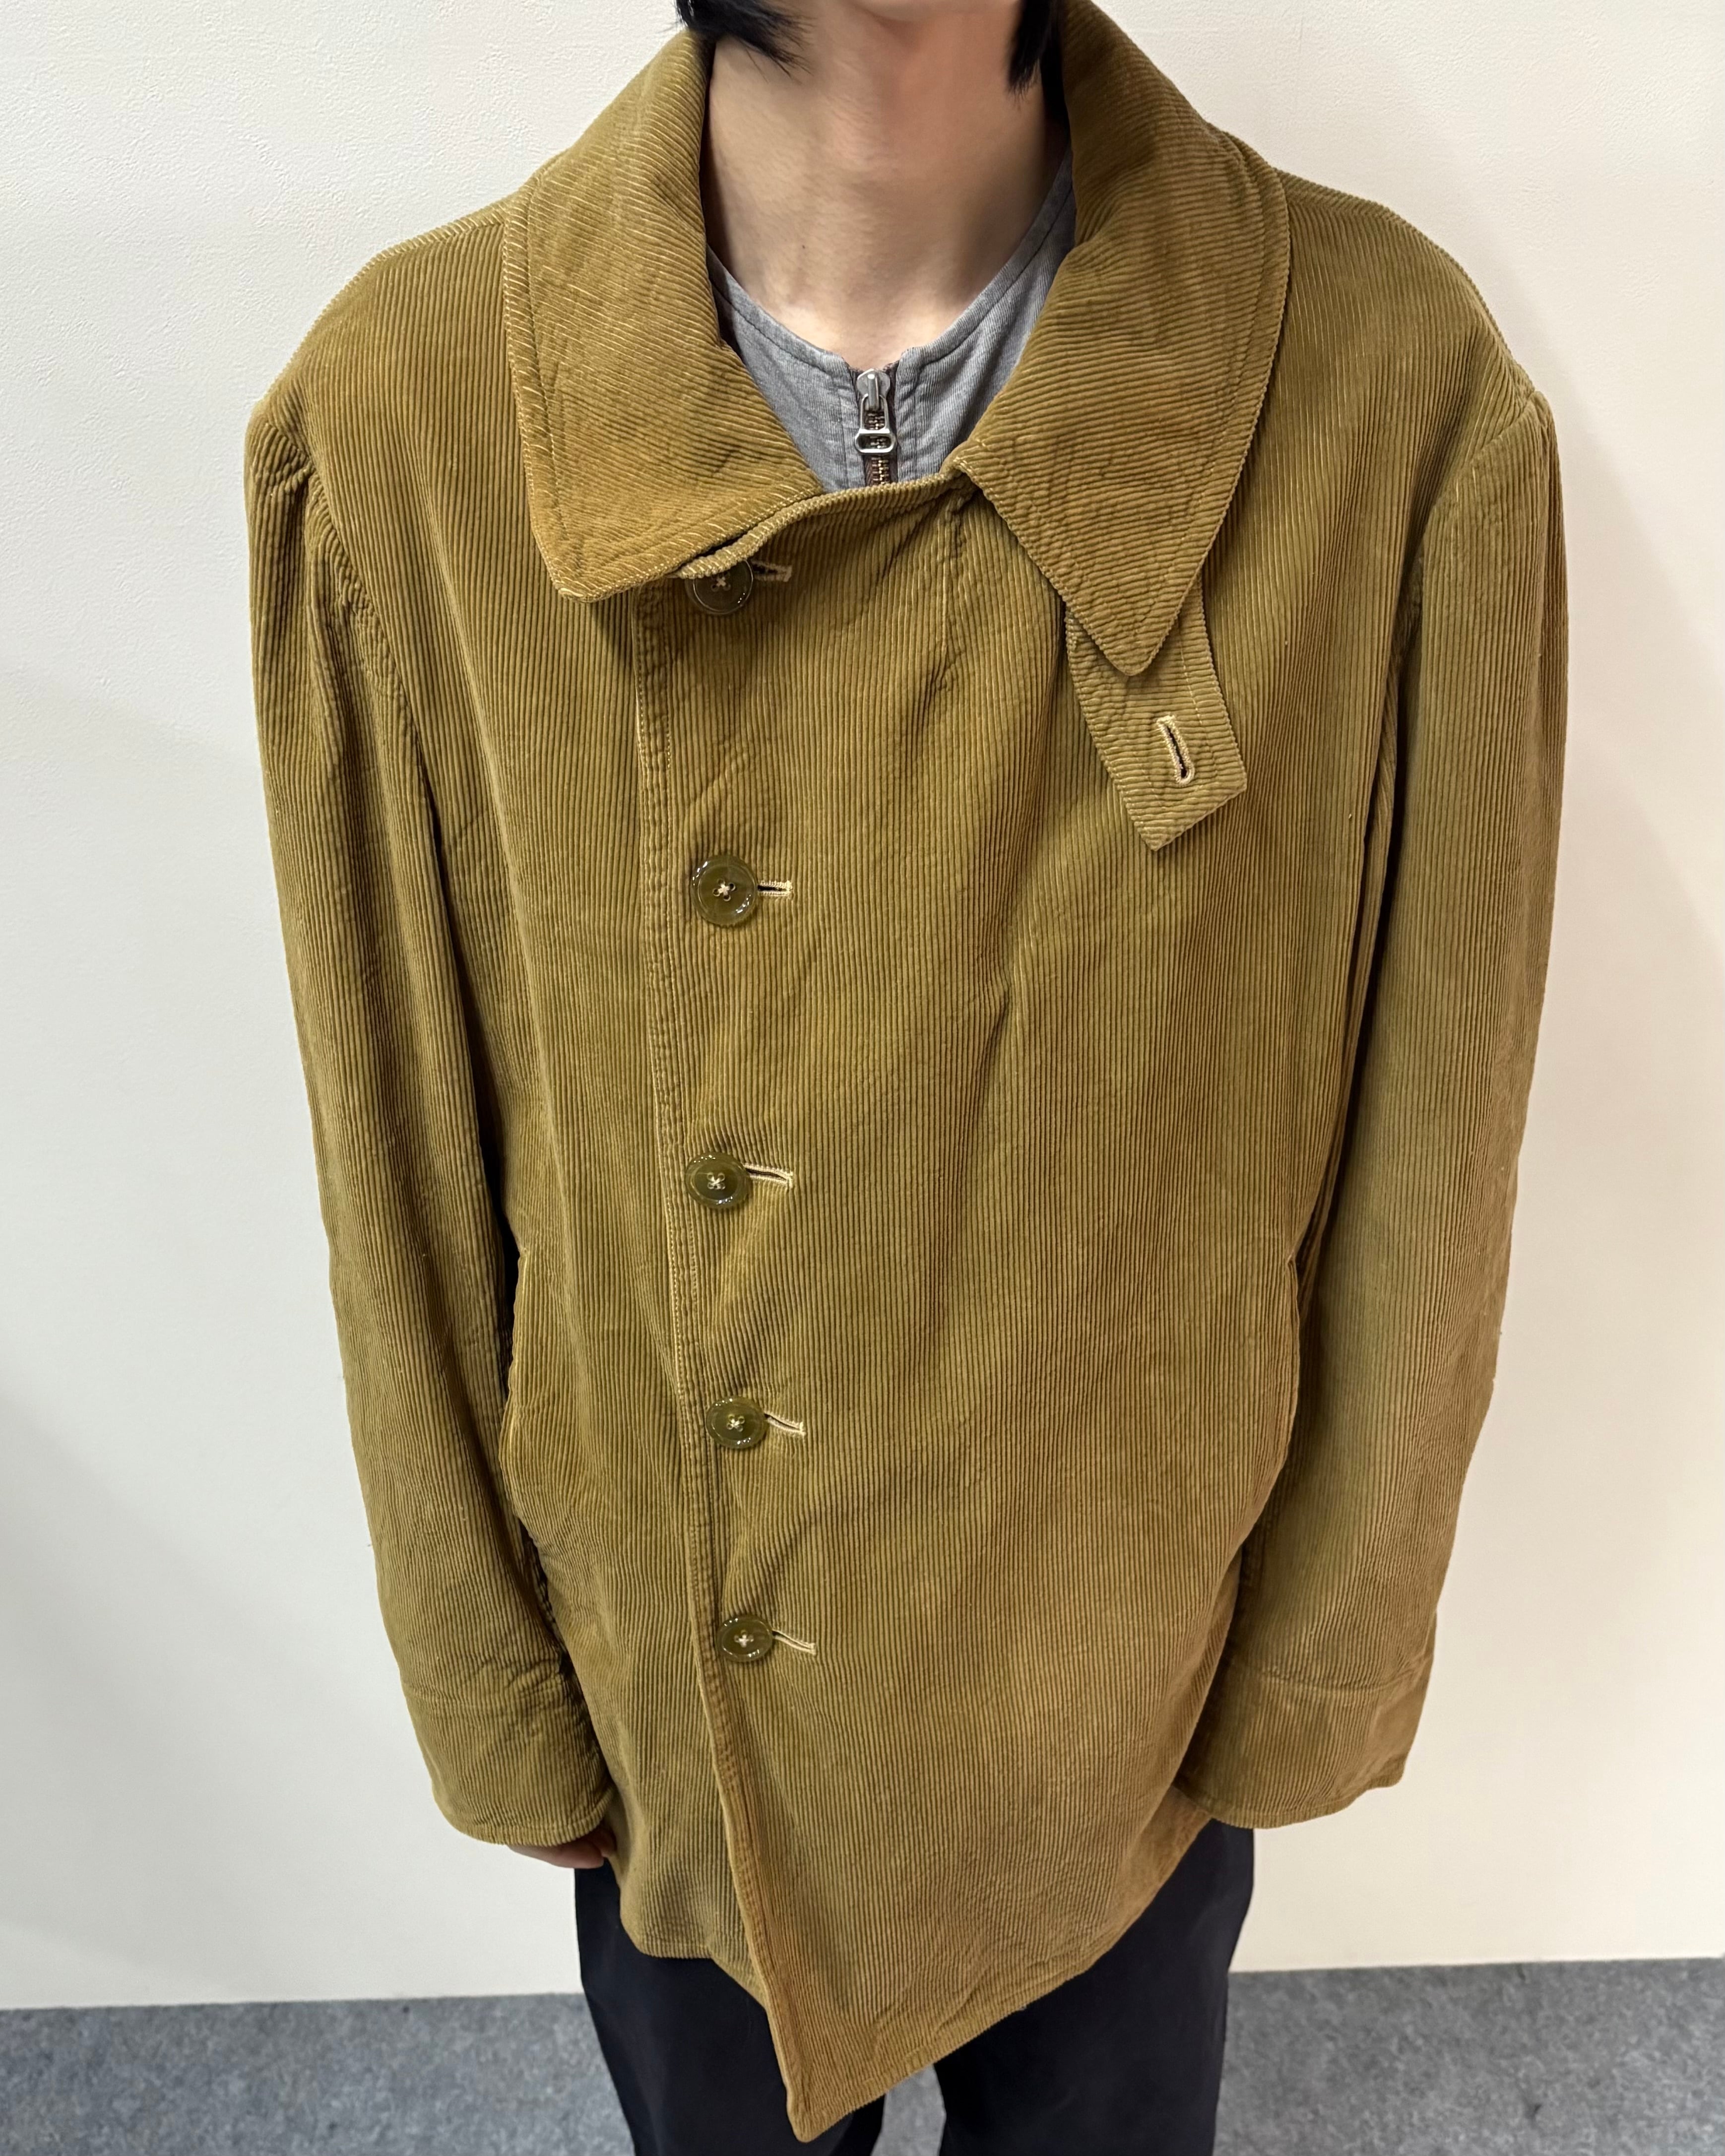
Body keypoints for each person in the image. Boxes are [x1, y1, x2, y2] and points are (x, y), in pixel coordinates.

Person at [243, 0, 1567, 2148]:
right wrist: (498, 1682)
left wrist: (1318, 1655)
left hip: (1125, 1699)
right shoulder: (407, 415)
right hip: (684, 1702)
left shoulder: (1384, 392)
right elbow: (389, 1136)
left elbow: (1442, 1115)